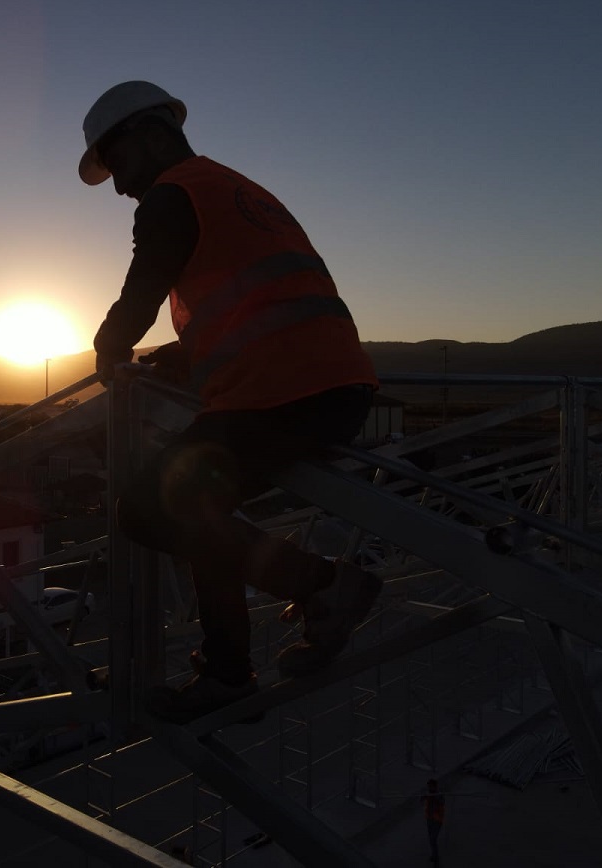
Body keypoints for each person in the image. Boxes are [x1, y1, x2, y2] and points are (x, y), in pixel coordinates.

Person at [79, 80, 382, 723]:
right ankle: (225, 673)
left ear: (154, 136)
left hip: (280, 394)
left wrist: (109, 349)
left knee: (145, 510)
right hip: (335, 386)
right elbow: (256, 292)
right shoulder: (236, 189)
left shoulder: (171, 195)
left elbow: (145, 286)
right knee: (199, 509)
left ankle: (326, 587)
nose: (121, 188)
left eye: (121, 165)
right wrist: (187, 355)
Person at [421, 778, 445, 863]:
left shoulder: (439, 795)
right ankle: (434, 855)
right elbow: (421, 800)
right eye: (428, 787)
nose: (429, 788)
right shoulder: (428, 793)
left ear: (435, 787)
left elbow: (442, 802)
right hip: (429, 819)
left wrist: (435, 797)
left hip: (437, 820)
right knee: (431, 839)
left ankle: (436, 856)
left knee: (433, 838)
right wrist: (423, 796)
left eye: (431, 787)